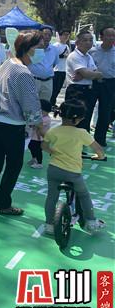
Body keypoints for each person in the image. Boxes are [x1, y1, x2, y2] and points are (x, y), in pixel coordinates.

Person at [0, 31, 44, 216]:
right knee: (14, 164)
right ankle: (2, 203)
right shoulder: (23, 72)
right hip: (11, 125)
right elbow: (30, 105)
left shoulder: (8, 63)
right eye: (39, 47)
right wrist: (40, 127)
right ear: (28, 48)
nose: (41, 51)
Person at [42, 99, 106, 235]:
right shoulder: (81, 133)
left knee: (52, 197)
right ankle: (91, 222)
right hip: (73, 173)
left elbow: (44, 146)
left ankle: (49, 224)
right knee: (83, 194)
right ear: (78, 119)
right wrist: (99, 156)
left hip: (54, 170)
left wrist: (53, 152)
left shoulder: (53, 131)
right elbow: (98, 150)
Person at [65, 31, 102, 132]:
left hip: (88, 90)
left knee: (85, 118)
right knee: (73, 118)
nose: (88, 43)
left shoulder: (88, 56)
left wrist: (87, 74)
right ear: (77, 42)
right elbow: (89, 74)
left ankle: (82, 139)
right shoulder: (74, 56)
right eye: (85, 40)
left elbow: (98, 74)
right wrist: (88, 74)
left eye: (90, 40)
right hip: (76, 90)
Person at [88, 27, 115, 147]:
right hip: (93, 83)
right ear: (101, 37)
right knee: (87, 110)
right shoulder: (92, 51)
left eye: (113, 35)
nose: (111, 38)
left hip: (110, 84)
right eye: (108, 35)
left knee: (105, 112)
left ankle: (100, 139)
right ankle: (84, 138)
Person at [27, 26, 60, 101]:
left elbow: (54, 64)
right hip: (33, 80)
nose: (47, 37)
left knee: (45, 104)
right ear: (39, 35)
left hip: (48, 82)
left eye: (49, 35)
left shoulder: (54, 49)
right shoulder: (32, 48)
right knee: (31, 103)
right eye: (45, 34)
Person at [27, 99, 52, 169]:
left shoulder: (46, 119)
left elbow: (38, 124)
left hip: (40, 138)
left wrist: (31, 121)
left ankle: (39, 163)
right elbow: (33, 124)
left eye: (41, 111)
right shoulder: (41, 117)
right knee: (31, 146)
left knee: (38, 150)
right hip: (34, 136)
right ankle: (34, 158)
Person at [50, 29, 71, 106]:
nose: (66, 36)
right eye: (64, 34)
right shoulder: (56, 46)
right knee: (54, 89)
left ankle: (53, 103)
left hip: (63, 70)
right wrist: (62, 56)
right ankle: (51, 103)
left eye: (68, 35)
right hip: (56, 70)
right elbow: (52, 57)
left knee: (59, 89)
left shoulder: (67, 46)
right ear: (60, 36)